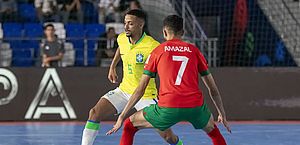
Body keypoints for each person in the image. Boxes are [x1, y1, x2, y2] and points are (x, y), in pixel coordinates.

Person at [106, 15, 231, 145]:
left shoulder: (157, 51)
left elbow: (140, 89)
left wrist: (122, 116)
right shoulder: (194, 51)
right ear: (182, 32)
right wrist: (221, 113)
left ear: (164, 32)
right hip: (195, 107)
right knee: (214, 132)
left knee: (129, 126)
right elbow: (213, 89)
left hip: (168, 107)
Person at [81, 10, 183, 145]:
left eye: (130, 23)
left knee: (168, 136)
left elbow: (166, 67)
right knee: (94, 113)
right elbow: (120, 49)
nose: (126, 27)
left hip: (146, 95)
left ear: (141, 24)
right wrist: (113, 66)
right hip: (124, 91)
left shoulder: (152, 46)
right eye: (125, 23)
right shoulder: (122, 38)